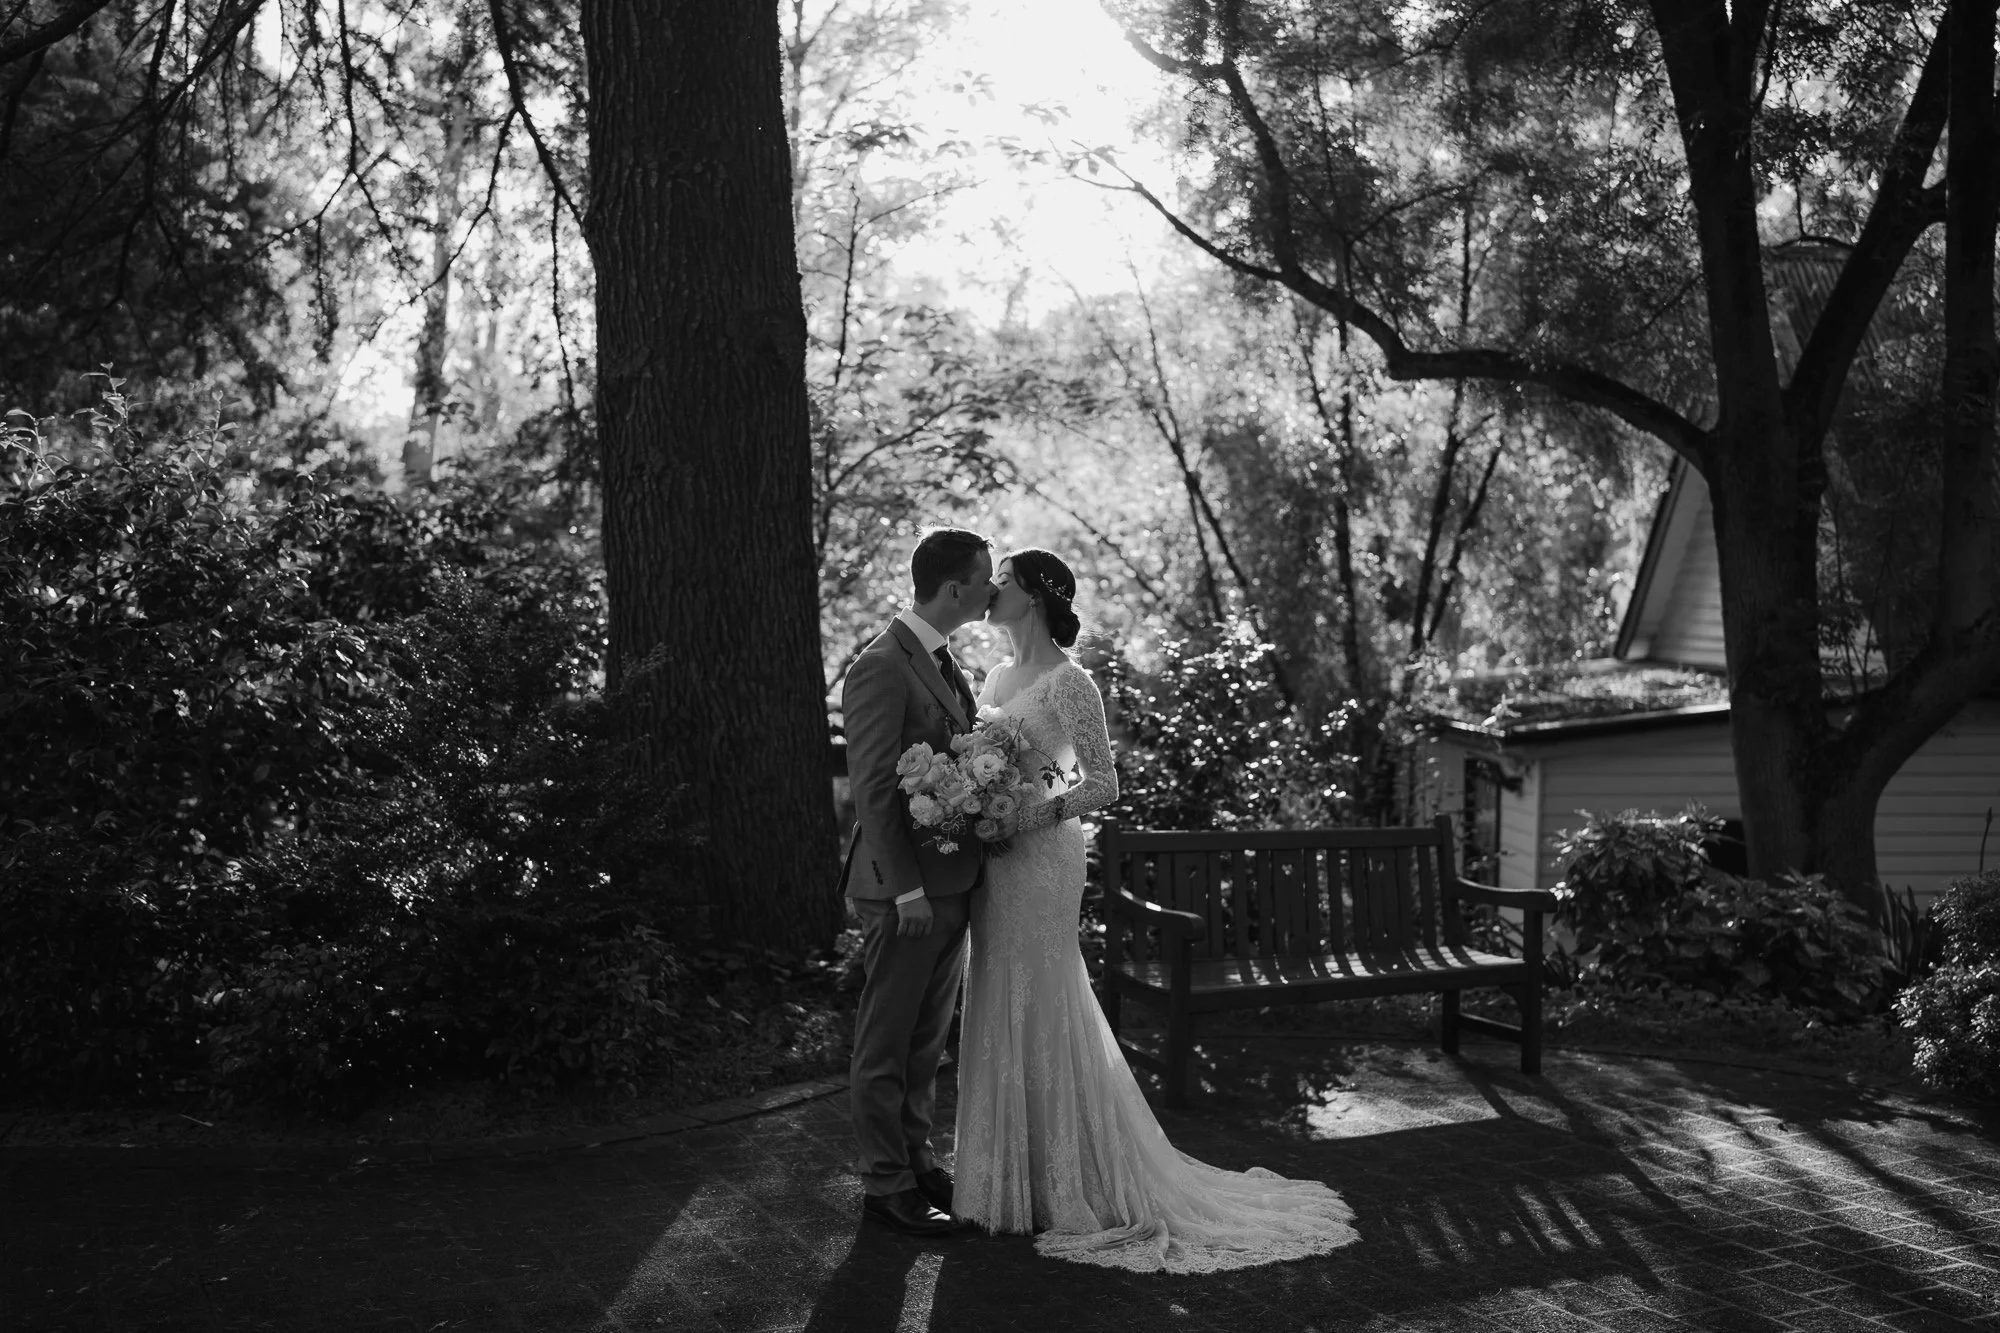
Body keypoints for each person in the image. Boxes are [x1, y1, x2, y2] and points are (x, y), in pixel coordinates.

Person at [952, 549, 1359, 1272]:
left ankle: (1071, 1176)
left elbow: (1102, 784)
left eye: (1003, 581)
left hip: (1042, 859)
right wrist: (982, 803)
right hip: (998, 862)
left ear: (1036, 596)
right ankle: (1002, 1180)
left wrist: (1028, 815)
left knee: (1044, 994)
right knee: (994, 985)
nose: (990, 590)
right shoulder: (991, 677)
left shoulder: (1070, 682)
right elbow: (1016, 769)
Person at [840, 527, 996, 1236]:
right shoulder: (880, 665)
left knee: (926, 1041)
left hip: (952, 882)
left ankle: (917, 1159)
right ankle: (886, 1183)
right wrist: (904, 889)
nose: (993, 591)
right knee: (886, 1039)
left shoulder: (942, 657)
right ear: (955, 588)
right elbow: (873, 789)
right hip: (904, 891)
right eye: (985, 579)